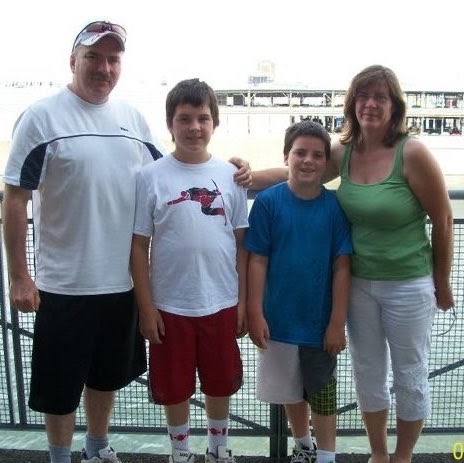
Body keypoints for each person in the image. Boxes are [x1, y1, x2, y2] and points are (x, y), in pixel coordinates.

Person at [2, 21, 251, 463]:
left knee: (106, 378)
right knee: (60, 386)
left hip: (123, 285)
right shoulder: (41, 117)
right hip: (63, 284)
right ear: (73, 61)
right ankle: (60, 457)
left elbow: (178, 170)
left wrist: (238, 171)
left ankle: (98, 449)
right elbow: (15, 198)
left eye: (112, 59)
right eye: (93, 57)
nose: (104, 67)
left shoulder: (132, 120)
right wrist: (19, 276)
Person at [252, 65, 455, 463]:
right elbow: (299, 172)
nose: (370, 104)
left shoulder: (412, 153)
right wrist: (244, 175)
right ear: (352, 104)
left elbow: (444, 219)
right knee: (367, 373)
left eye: (380, 97)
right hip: (360, 283)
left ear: (394, 105)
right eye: (363, 96)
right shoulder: (344, 152)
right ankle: (378, 454)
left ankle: (403, 456)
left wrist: (442, 281)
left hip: (408, 284)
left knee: (410, 375)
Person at [130, 78, 248, 463]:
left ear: (215, 122)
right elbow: (138, 246)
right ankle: (180, 451)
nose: (194, 127)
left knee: (220, 382)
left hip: (222, 301)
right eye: (184, 119)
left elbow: (242, 245)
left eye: (202, 118)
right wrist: (146, 308)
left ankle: (218, 448)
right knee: (174, 386)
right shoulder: (150, 176)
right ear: (170, 123)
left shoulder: (231, 176)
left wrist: (244, 303)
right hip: (169, 306)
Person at [245, 120, 352, 463]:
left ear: (326, 163)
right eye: (300, 153)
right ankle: (304, 445)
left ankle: (326, 456)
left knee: (323, 394)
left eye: (317, 155)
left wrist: (337, 322)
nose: (308, 160)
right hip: (277, 319)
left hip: (319, 322)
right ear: (286, 156)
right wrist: (254, 312)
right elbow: (257, 260)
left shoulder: (334, 206)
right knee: (290, 390)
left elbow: (342, 267)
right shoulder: (268, 202)